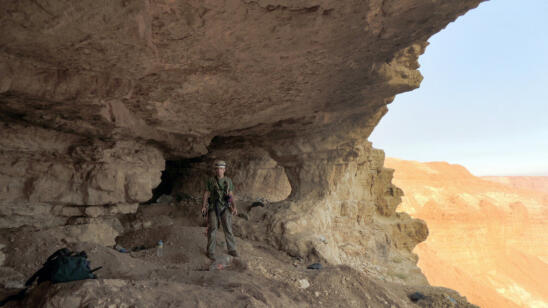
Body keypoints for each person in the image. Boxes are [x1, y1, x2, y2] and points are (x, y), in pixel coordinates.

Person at [201, 160, 239, 260]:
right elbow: (206, 193)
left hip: (225, 207)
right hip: (214, 207)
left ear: (224, 170)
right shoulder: (211, 181)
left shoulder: (228, 181)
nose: (219, 171)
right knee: (212, 229)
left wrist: (234, 206)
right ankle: (211, 251)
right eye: (217, 169)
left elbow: (230, 194)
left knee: (228, 228)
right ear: (215, 170)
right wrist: (204, 206)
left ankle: (232, 249)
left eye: (221, 169)